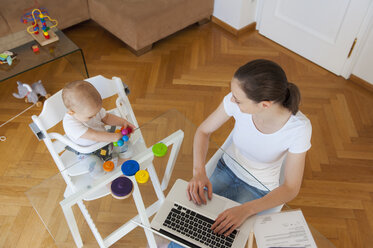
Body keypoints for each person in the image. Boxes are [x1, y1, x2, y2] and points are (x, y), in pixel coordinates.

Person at [168, 59, 312, 248]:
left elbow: (291, 187)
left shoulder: (298, 128)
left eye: (238, 99)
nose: (232, 100)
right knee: (188, 230)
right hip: (226, 168)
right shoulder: (235, 102)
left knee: (214, 238)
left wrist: (246, 210)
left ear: (265, 105)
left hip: (258, 189)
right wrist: (198, 172)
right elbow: (203, 131)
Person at [62, 80, 135, 175]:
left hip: (106, 142)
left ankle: (122, 163)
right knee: (96, 169)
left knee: (127, 146)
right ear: (72, 112)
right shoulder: (70, 123)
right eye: (90, 116)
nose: (95, 116)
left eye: (97, 113)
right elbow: (94, 135)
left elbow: (107, 117)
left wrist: (123, 122)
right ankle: (107, 180)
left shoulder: (92, 110)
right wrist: (115, 136)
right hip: (88, 153)